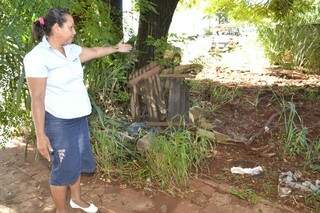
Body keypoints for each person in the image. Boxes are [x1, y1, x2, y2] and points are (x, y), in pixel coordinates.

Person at [23, 8, 132, 213]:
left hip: (78, 118)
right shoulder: (37, 57)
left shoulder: (71, 50)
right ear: (56, 28)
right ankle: (61, 210)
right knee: (62, 169)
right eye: (71, 27)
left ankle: (76, 199)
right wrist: (40, 135)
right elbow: (37, 99)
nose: (74, 31)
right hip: (58, 122)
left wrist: (116, 48)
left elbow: (94, 51)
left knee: (76, 161)